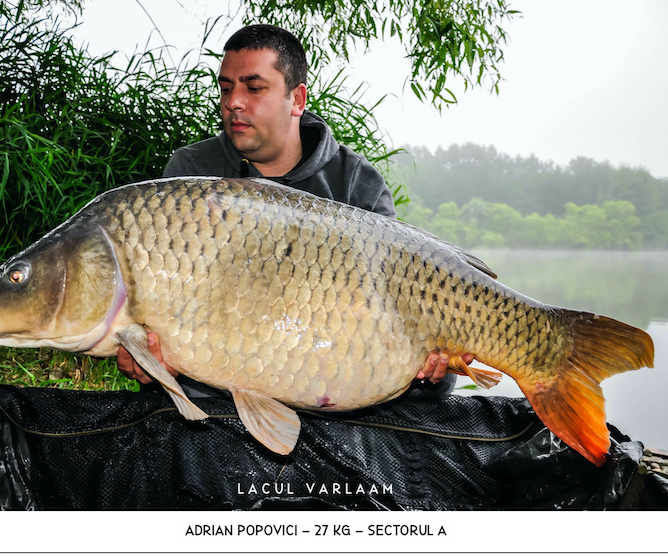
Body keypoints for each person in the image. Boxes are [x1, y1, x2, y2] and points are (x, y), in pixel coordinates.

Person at [117, 24, 472, 391]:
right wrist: (152, 360)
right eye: (225, 88)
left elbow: (396, 302)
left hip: (330, 381)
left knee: (435, 381)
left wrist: (431, 364)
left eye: (254, 88)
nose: (233, 102)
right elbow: (165, 311)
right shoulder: (191, 174)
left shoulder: (353, 181)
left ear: (297, 99)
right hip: (218, 391)